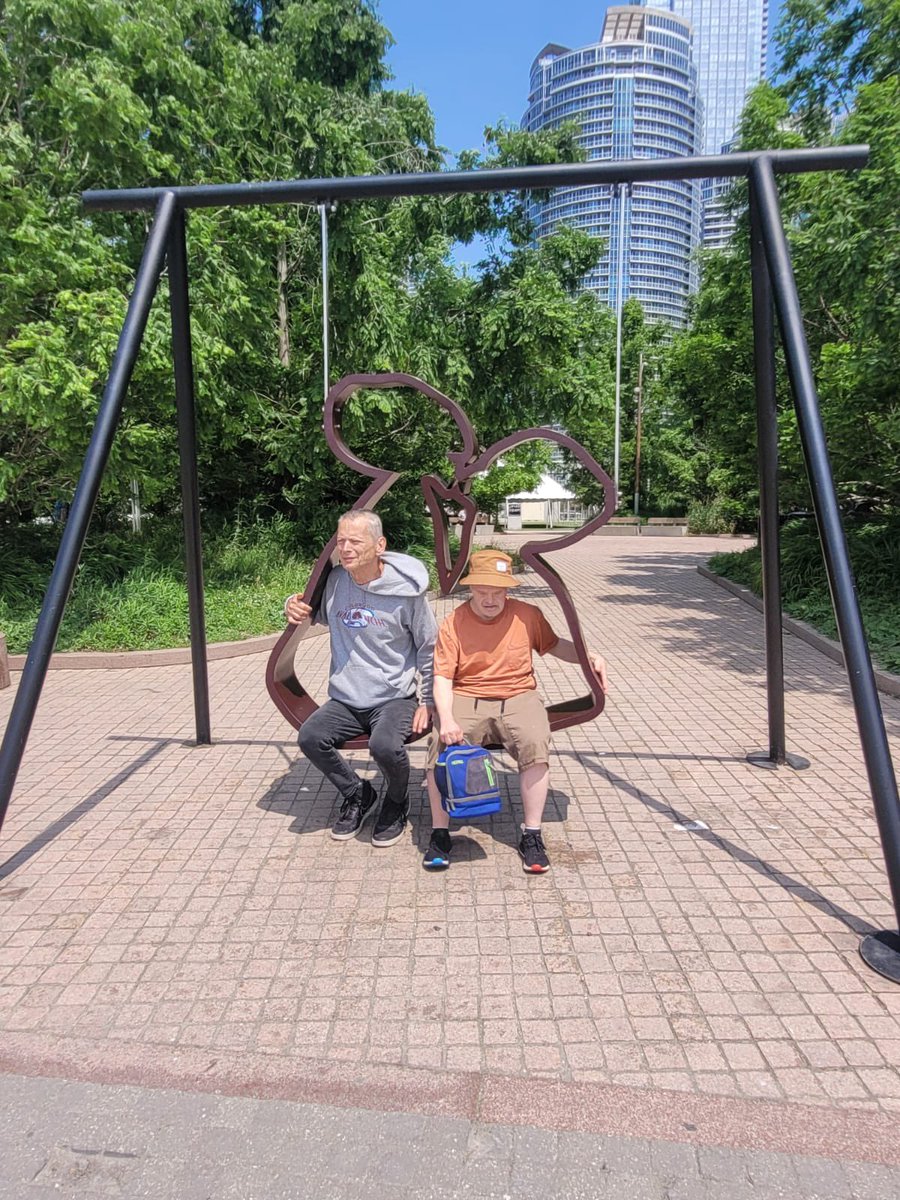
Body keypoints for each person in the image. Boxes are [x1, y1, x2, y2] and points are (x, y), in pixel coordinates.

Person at [422, 549, 608, 873]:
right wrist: (447, 718)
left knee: (535, 740)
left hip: (519, 694)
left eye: (498, 592)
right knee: (440, 744)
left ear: (508, 590)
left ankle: (531, 834)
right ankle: (440, 833)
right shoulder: (453, 623)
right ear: (471, 589)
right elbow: (442, 678)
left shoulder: (528, 615)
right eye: (483, 592)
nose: (491, 600)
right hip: (467, 693)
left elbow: (554, 646)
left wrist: (588, 657)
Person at [285, 510, 436, 846]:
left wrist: (427, 701)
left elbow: (429, 646)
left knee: (383, 745)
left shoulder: (408, 593)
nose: (346, 547)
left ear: (379, 545)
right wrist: (291, 605)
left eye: (355, 541)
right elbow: (310, 610)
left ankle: (396, 801)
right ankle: (358, 793)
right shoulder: (337, 581)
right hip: (346, 699)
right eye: (341, 541)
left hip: (394, 697)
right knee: (310, 736)